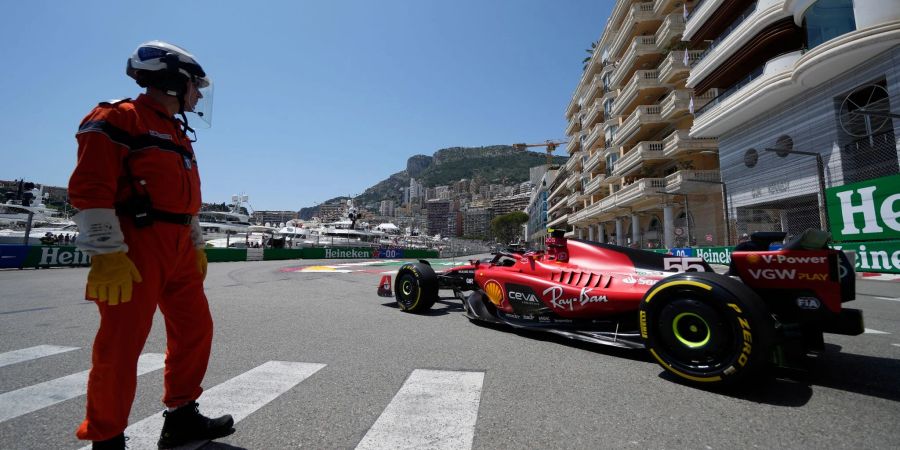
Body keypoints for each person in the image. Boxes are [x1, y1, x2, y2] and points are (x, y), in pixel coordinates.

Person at [68, 41, 233, 450]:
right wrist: (107, 254)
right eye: (195, 85)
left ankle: (180, 417)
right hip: (136, 244)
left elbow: (184, 198)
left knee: (195, 330)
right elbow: (90, 189)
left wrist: (194, 242)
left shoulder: (178, 131)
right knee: (121, 344)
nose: (198, 95)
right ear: (173, 79)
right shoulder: (119, 117)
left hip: (177, 245)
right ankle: (106, 438)